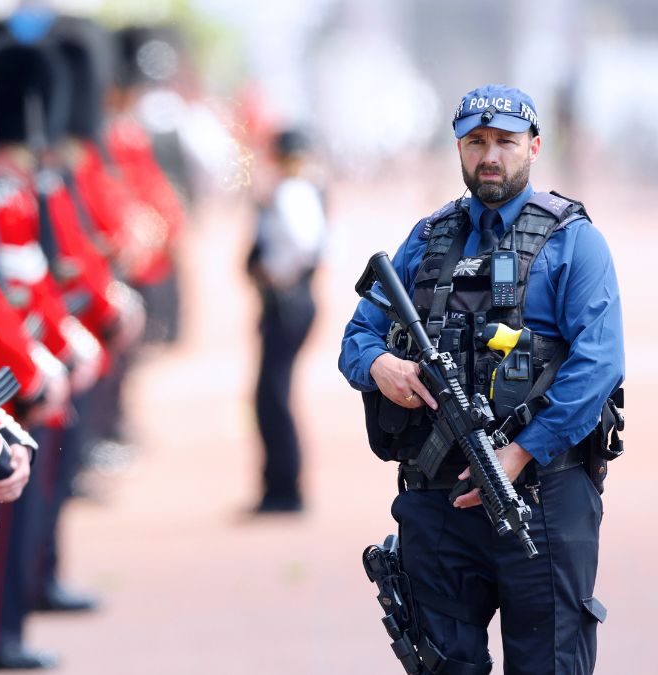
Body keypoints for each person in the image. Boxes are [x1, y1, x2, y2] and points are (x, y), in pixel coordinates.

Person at [340, 84, 623, 674]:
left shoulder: (574, 242)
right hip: (437, 495)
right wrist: (379, 366)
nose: (490, 155)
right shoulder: (427, 237)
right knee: (442, 661)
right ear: (460, 149)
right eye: (476, 142)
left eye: (505, 142)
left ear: (534, 147)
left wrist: (521, 453)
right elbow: (357, 336)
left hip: (542, 495)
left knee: (549, 661)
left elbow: (598, 365)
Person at [246, 129, 326, 514]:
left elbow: (307, 245)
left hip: (287, 301)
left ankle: (284, 487)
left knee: (272, 396)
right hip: (292, 301)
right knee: (272, 395)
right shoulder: (306, 189)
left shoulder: (293, 192)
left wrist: (275, 273)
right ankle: (279, 483)